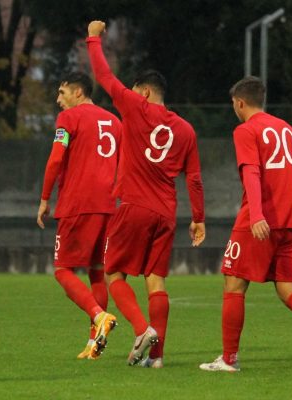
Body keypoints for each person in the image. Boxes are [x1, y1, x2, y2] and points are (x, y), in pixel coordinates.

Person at [86, 21, 206, 368]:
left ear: (145, 93)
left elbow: (105, 78)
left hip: (134, 206)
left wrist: (93, 38)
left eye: (136, 91)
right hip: (166, 213)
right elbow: (194, 178)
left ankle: (142, 331)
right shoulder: (186, 129)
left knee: (114, 274)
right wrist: (198, 218)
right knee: (156, 281)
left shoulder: (136, 107)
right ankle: (157, 358)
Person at [200, 76, 292, 373]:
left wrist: (258, 214)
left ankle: (228, 359)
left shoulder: (245, 130)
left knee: (234, 284)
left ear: (239, 102)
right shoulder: (286, 129)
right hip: (289, 222)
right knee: (289, 289)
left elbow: (251, 171)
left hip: (257, 221)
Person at [37, 71, 121, 359]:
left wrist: (45, 197)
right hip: (109, 205)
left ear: (78, 92)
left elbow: (56, 158)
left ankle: (99, 317)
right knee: (97, 271)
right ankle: (93, 345)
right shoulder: (115, 122)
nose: (58, 99)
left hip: (79, 204)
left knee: (62, 271)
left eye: (62, 93)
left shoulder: (69, 119)